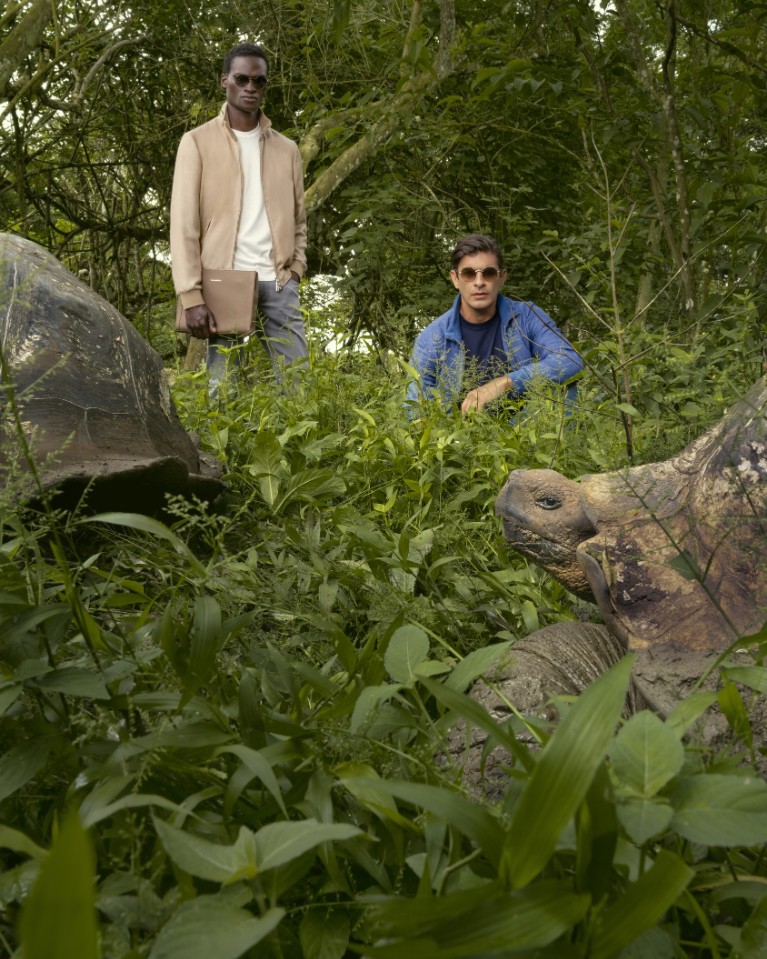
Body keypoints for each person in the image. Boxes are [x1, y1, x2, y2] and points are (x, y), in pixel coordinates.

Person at [170, 42, 308, 386]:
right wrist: (190, 295)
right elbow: (184, 225)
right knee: (224, 391)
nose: (250, 87)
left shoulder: (287, 150)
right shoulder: (196, 142)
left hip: (279, 281)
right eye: (242, 79)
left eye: (259, 81)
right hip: (224, 281)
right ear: (225, 81)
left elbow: (299, 219)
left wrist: (296, 268)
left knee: (299, 389)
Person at [406, 234, 583, 415]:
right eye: (469, 274)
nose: (479, 282)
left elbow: (569, 360)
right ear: (455, 279)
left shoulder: (526, 316)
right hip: (462, 430)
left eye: (489, 273)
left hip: (526, 425)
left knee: (567, 385)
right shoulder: (432, 337)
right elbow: (414, 409)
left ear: (502, 277)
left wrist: (504, 383)